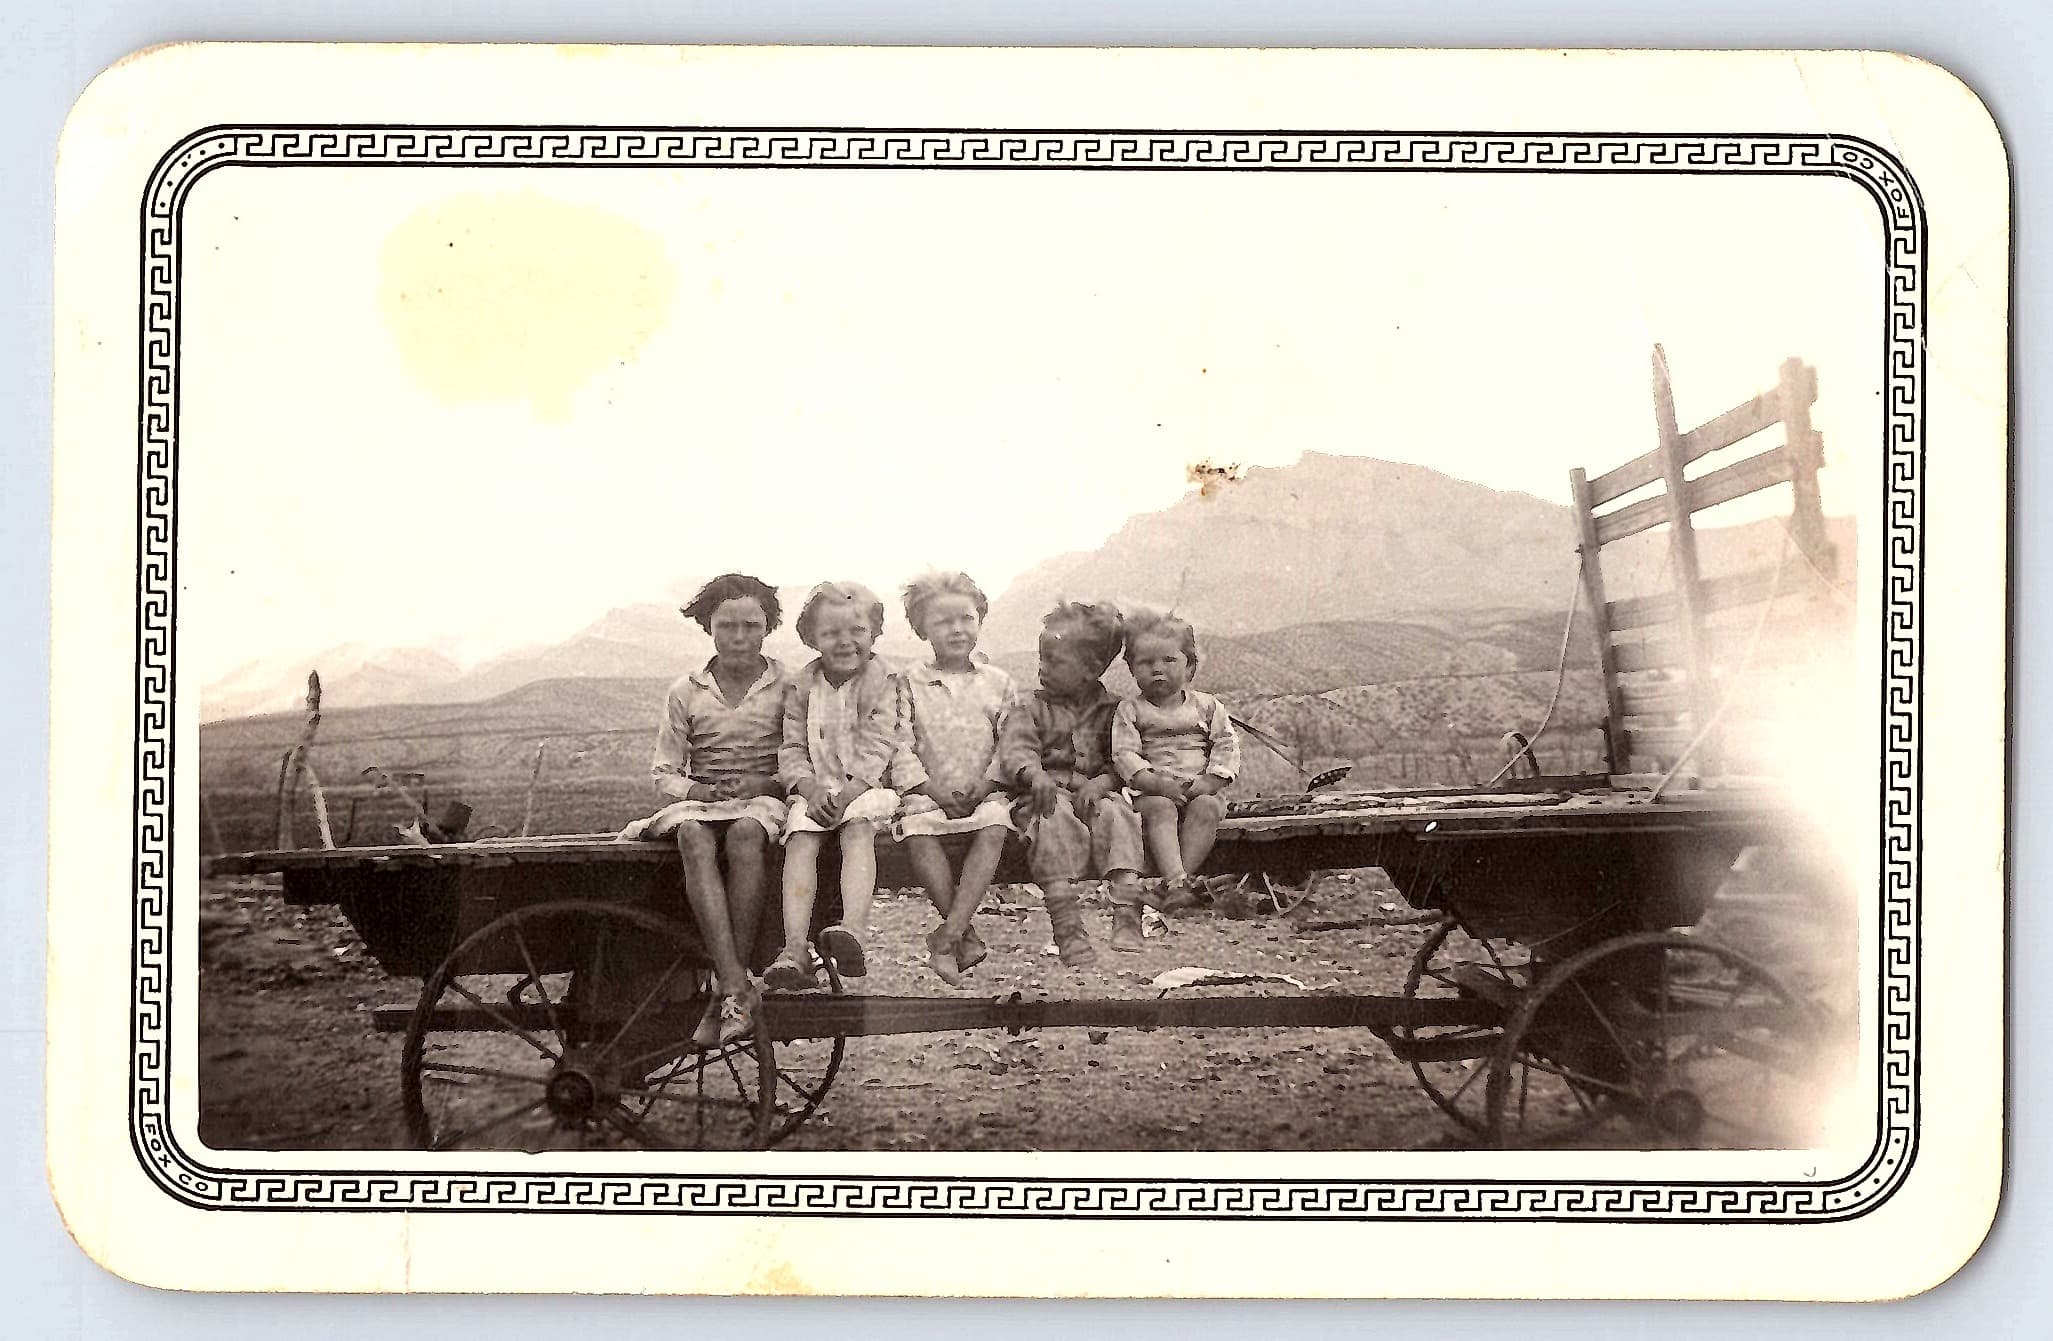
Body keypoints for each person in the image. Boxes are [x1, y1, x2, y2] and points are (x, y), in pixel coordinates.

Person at [636, 573, 788, 1047]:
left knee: (746, 832)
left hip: (763, 798)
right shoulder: (686, 690)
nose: (739, 637)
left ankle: (727, 989)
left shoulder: (789, 685)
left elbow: (804, 756)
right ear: (708, 627)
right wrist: (697, 791)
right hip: (703, 803)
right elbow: (663, 772)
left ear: (768, 627)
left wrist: (766, 781)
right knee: (691, 836)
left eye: (751, 625)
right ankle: (736, 985)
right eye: (727, 626)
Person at [765, 581, 901, 990]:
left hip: (865, 789)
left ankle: (854, 929)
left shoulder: (883, 681)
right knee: (801, 839)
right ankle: (794, 948)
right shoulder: (802, 686)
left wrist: (847, 795)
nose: (845, 642)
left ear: (874, 632)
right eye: (831, 633)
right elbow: (791, 748)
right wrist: (808, 789)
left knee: (858, 831)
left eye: (856, 631)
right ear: (812, 639)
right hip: (818, 790)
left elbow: (880, 745)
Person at [995, 601, 1146, 968]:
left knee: (1118, 814)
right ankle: (1067, 926)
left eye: (1054, 661)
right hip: (1049, 794)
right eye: (1041, 658)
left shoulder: (1114, 710)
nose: (1042, 668)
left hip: (1097, 794)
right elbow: (1016, 749)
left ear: (1091, 669)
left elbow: (1121, 758)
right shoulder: (1031, 706)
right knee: (1052, 820)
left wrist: (1104, 781)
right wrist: (1035, 775)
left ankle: (1127, 912)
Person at [890, 572, 1015, 986]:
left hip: (984, 794)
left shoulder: (999, 682)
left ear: (980, 619)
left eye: (966, 618)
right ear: (922, 627)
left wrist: (989, 783)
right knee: (917, 831)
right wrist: (930, 789)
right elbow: (899, 743)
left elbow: (1010, 743)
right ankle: (963, 932)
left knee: (996, 826)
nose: (957, 629)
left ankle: (947, 939)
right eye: (943, 622)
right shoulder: (908, 682)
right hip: (930, 796)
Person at [1111, 608, 1242, 944]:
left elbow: (1226, 745)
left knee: (1209, 810)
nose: (1157, 669)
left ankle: (1175, 883)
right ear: (1131, 669)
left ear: (1190, 665)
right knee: (1160, 809)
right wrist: (1152, 781)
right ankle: (1177, 882)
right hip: (1152, 790)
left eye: (1169, 660)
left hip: (1198, 787)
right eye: (1145, 662)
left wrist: (1210, 781)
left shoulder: (1207, 707)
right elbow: (1124, 753)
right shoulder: (1131, 710)